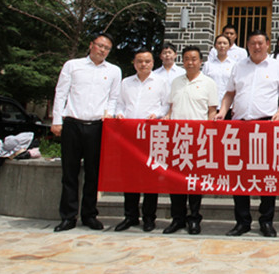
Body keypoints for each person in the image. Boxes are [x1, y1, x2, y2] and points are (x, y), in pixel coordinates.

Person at [218, 31, 279, 238]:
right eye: (252, 43)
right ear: (247, 45)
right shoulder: (238, 66)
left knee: (267, 176)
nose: (256, 47)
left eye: (260, 43)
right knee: (239, 176)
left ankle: (266, 221)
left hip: (265, 126)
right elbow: (230, 93)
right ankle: (242, 222)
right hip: (240, 126)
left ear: (267, 44)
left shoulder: (276, 66)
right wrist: (222, 111)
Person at [52, 33, 122, 232]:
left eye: (107, 48)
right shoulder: (73, 66)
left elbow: (113, 98)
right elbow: (61, 93)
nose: (102, 50)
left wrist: (109, 116)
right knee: (70, 173)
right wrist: (57, 120)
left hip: (97, 126)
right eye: (100, 45)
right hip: (72, 124)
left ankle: (89, 215)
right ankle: (68, 216)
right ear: (91, 45)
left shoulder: (114, 71)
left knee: (93, 173)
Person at [163, 46, 218, 235]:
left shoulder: (208, 83)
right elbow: (172, 107)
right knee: (175, 181)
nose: (190, 62)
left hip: (198, 138)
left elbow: (212, 111)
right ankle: (177, 218)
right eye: (186, 58)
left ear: (201, 61)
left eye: (194, 59)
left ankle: (194, 218)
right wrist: (167, 118)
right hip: (177, 137)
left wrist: (208, 136)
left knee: (195, 181)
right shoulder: (176, 82)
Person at [114, 48, 169, 232]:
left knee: (150, 178)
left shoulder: (161, 82)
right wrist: (119, 114)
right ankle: (130, 216)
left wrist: (157, 114)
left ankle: (149, 217)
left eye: (147, 61)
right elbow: (120, 104)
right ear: (134, 63)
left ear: (153, 63)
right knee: (129, 177)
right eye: (139, 61)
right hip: (129, 135)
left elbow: (166, 106)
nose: (143, 64)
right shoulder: (126, 82)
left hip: (151, 135)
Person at [203, 34, 236, 116]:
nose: (222, 46)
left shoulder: (234, 65)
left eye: (225, 43)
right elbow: (203, 84)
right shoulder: (208, 65)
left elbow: (236, 86)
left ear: (229, 46)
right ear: (215, 46)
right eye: (219, 43)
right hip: (211, 106)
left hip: (229, 106)